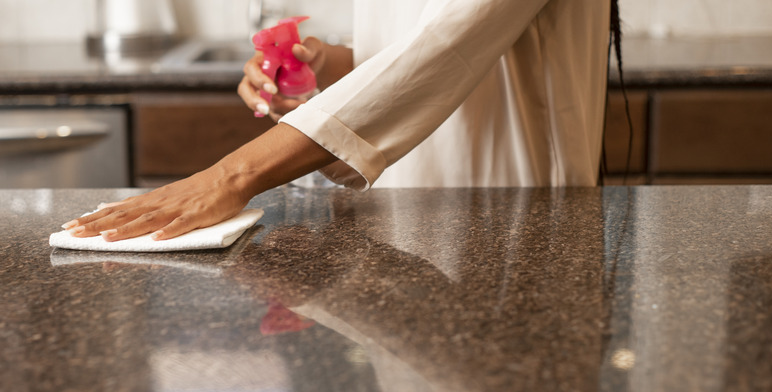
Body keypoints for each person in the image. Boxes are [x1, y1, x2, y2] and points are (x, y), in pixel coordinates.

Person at [62, 0, 613, 242]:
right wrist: (332, 65)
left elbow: (449, 48)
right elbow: (412, 44)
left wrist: (231, 176)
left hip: (522, 217)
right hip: (408, 214)